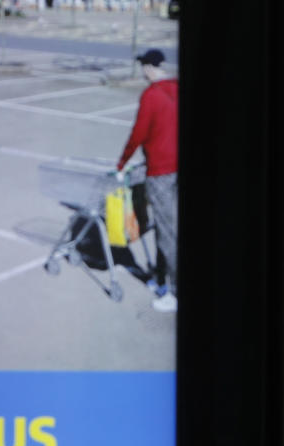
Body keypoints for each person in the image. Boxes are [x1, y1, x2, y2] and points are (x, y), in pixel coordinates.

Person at [118, 48, 178, 313]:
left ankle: (174, 293)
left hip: (161, 172)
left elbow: (138, 133)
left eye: (143, 67)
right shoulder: (177, 88)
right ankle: (163, 278)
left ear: (148, 68)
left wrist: (122, 163)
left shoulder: (151, 95)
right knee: (171, 227)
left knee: (167, 233)